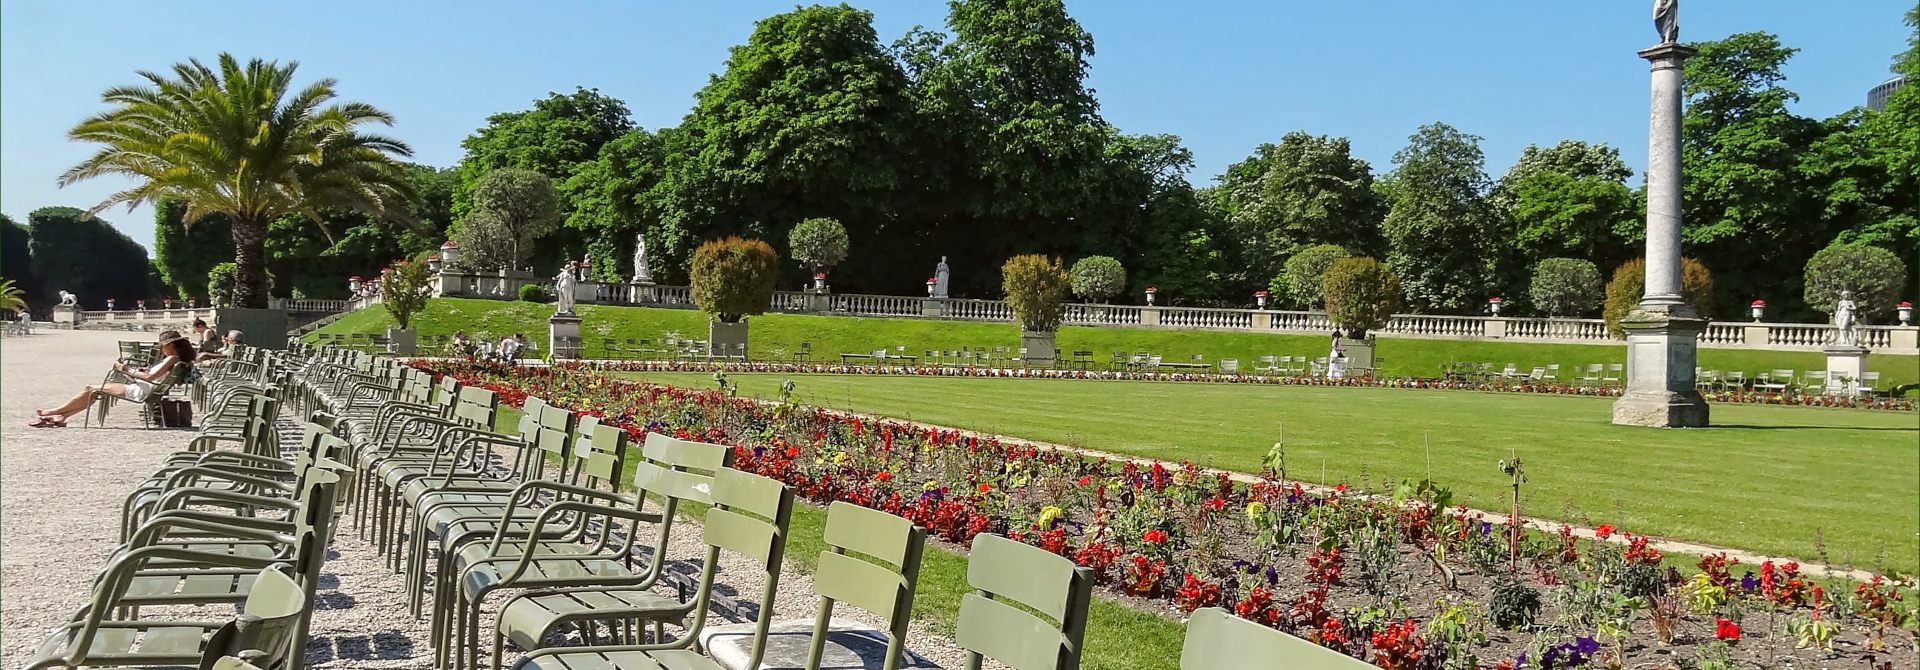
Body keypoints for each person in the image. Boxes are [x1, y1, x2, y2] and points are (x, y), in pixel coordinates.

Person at [30, 330, 195, 428]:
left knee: (90, 388)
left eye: (163, 346)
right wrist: (136, 372)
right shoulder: (176, 359)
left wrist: (125, 369)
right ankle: (62, 417)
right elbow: (153, 375)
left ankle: (54, 411)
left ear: (170, 345)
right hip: (147, 388)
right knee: (93, 392)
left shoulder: (171, 358)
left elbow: (151, 377)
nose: (161, 348)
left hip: (142, 391)